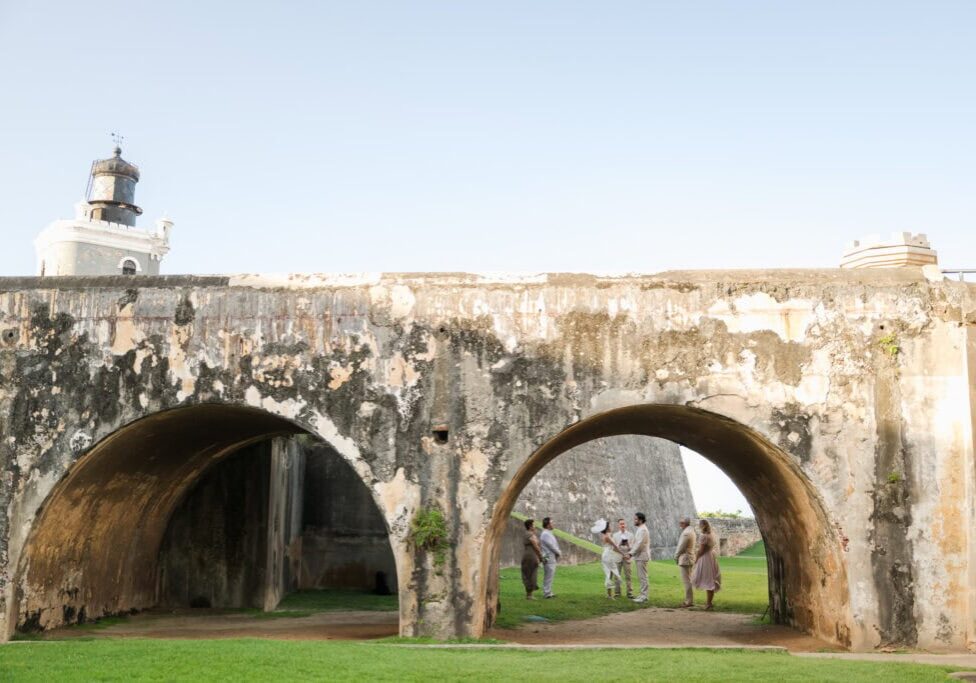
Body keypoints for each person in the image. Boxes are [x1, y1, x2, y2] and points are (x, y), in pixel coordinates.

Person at [690, 518, 721, 610]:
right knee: (710, 579)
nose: (699, 526)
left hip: (705, 558)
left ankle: (708, 603)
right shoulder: (711, 534)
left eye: (700, 525)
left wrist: (696, 558)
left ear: (702, 525)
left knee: (707, 580)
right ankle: (709, 603)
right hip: (711, 556)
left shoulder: (703, 536)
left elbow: (702, 550)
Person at [592, 518, 625, 598]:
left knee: (610, 573)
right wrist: (624, 554)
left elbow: (614, 547)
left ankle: (609, 594)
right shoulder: (607, 536)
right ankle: (609, 595)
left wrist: (621, 552)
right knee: (610, 573)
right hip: (608, 555)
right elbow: (615, 547)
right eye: (609, 525)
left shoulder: (607, 535)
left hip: (608, 554)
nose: (611, 527)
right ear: (606, 528)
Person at [627, 512, 651, 603]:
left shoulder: (643, 530)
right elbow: (637, 543)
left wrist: (630, 553)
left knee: (643, 577)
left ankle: (644, 596)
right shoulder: (640, 529)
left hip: (642, 556)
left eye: (636, 519)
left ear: (640, 520)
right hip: (639, 556)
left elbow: (640, 544)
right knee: (641, 577)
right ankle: (642, 595)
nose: (634, 521)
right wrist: (631, 549)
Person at [674, 516, 697, 607]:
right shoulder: (691, 531)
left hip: (685, 558)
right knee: (689, 580)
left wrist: (676, 557)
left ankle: (688, 601)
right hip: (689, 557)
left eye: (681, 522)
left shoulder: (686, 533)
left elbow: (681, 547)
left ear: (685, 523)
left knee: (687, 581)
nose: (680, 524)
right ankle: (690, 600)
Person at [539, 517, 562, 599]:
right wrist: (558, 552)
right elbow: (551, 546)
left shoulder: (548, 533)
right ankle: (547, 592)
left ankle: (548, 591)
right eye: (552, 523)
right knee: (549, 575)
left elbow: (553, 545)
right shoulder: (545, 534)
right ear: (548, 525)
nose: (553, 524)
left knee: (550, 575)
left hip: (551, 556)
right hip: (548, 556)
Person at [611, 518, 634, 598]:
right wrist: (619, 543)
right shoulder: (615, 535)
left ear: (626, 524)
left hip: (627, 558)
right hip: (617, 558)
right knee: (617, 576)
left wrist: (628, 544)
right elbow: (613, 548)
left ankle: (629, 593)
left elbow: (633, 549)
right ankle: (617, 593)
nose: (622, 525)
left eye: (623, 524)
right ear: (618, 525)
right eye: (621, 524)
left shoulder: (630, 535)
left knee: (628, 576)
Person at [521, 518, 543, 600]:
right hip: (530, 556)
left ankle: (529, 594)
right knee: (530, 574)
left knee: (530, 573)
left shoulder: (529, 534)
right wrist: (540, 556)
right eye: (534, 524)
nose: (535, 526)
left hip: (530, 555)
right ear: (530, 526)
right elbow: (536, 546)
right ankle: (529, 594)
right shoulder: (529, 534)